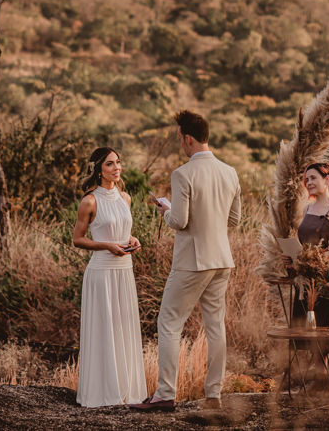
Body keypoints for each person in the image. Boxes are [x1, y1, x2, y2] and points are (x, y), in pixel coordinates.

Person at [130, 110, 242, 411]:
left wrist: (165, 210)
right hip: (222, 259)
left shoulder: (182, 174)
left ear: (188, 138)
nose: (180, 143)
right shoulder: (230, 172)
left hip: (193, 260)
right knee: (215, 326)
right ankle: (214, 395)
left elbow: (179, 221)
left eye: (180, 138)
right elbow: (234, 219)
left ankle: (165, 394)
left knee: (168, 322)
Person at [72, 147, 147, 407]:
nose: (117, 168)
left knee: (123, 328)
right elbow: (78, 239)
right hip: (102, 273)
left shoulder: (125, 198)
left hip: (124, 271)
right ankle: (103, 394)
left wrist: (132, 240)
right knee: (105, 331)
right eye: (110, 164)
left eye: (118, 162)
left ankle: (127, 391)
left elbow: (122, 230)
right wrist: (107, 246)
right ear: (98, 170)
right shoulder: (90, 201)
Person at [287, 162, 329, 327]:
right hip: (305, 282)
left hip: (326, 283)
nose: (308, 183)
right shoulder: (307, 209)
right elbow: (304, 245)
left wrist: (317, 259)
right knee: (302, 331)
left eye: (313, 178)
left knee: (324, 331)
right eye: (307, 179)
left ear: (327, 180)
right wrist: (294, 257)